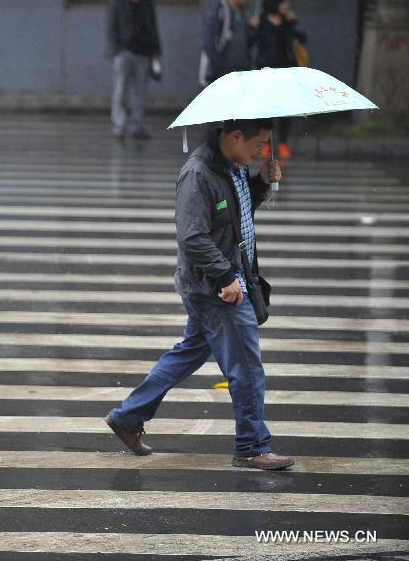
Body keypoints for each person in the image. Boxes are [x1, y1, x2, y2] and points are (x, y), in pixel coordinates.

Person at [104, 118, 293, 471]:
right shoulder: (199, 174)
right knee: (247, 367)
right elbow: (192, 237)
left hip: (228, 279)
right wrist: (225, 277)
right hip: (216, 288)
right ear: (236, 136)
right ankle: (252, 445)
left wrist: (261, 184)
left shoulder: (235, 167)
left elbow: (234, 219)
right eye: (258, 144)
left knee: (188, 353)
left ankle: (127, 417)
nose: (260, 152)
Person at [107, 0, 161, 141]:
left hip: (143, 53)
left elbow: (153, 26)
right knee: (120, 91)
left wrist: (156, 51)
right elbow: (111, 26)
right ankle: (118, 126)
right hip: (124, 53)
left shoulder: (147, 0)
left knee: (139, 93)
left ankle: (136, 127)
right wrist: (116, 49)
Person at [257, 0, 307, 161]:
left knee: (285, 109)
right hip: (266, 71)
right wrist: (250, 27)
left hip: (286, 70)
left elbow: (302, 38)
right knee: (267, 110)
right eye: (284, 2)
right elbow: (251, 43)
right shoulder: (261, 22)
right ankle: (265, 144)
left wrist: (293, 23)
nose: (287, 5)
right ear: (275, 3)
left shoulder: (287, 22)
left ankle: (283, 142)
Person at [199, 0, 259, 88]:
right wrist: (221, 67)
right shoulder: (220, 14)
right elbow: (209, 45)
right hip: (223, 74)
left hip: (241, 72)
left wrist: (252, 28)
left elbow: (247, 43)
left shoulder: (243, 14)